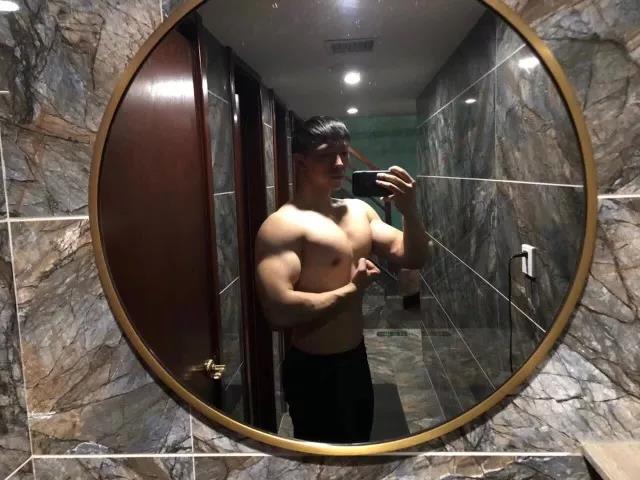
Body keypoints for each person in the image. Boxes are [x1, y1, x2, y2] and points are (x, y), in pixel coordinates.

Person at [255, 116, 429, 443]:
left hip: (355, 359)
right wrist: (352, 290)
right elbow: (278, 311)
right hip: (314, 368)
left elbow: (414, 257)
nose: (339, 163)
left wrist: (410, 211)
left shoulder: (359, 211)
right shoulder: (282, 226)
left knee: (358, 447)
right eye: (326, 155)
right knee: (322, 460)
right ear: (301, 162)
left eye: (344, 154)